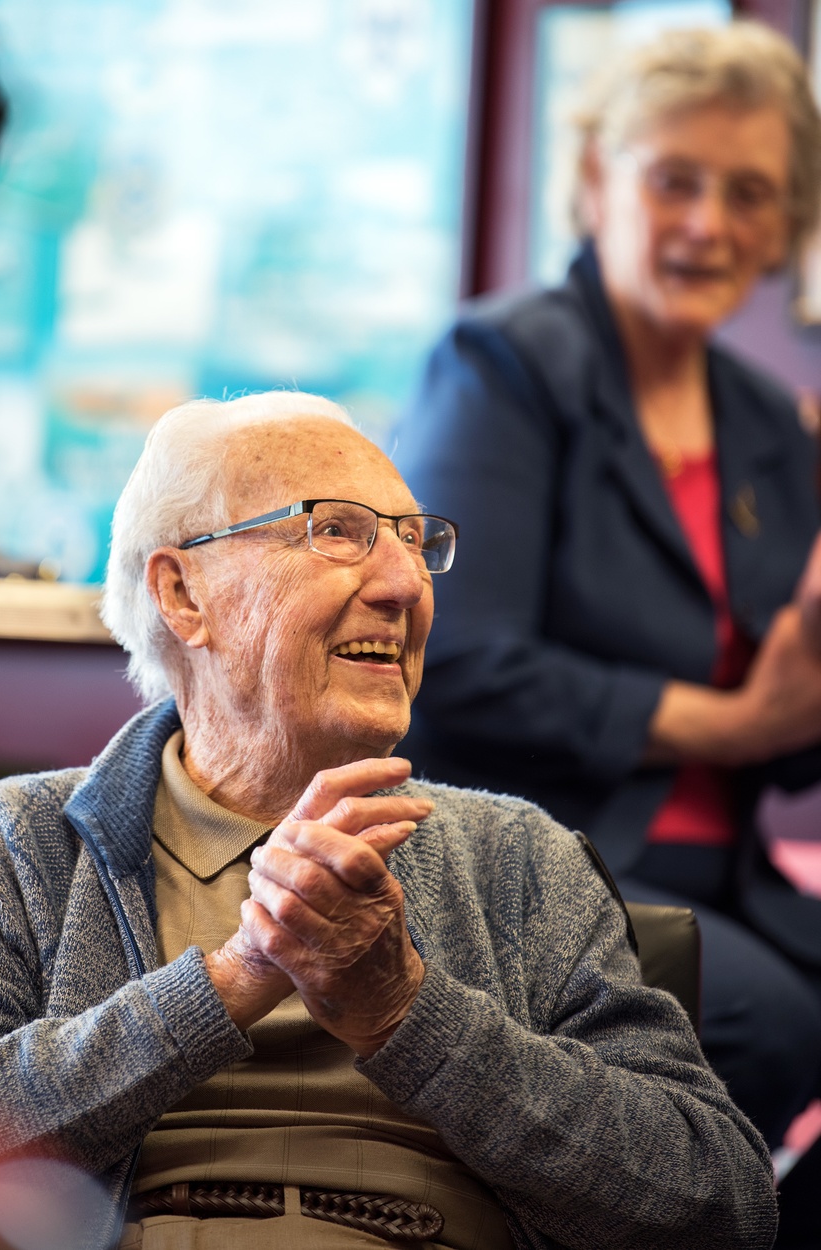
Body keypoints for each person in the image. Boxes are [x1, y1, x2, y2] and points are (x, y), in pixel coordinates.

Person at [0, 391, 775, 1250]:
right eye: (338, 532)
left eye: (417, 542)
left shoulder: (521, 859)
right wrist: (236, 976)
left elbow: (718, 1198)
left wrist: (405, 1013)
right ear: (183, 596)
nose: (405, 584)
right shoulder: (7, 844)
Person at [390, 19, 821, 1190]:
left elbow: (790, 734)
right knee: (772, 1021)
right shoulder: (504, 365)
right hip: (529, 864)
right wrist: (730, 723)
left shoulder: (769, 423)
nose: (708, 224)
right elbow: (459, 658)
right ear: (593, 181)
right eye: (672, 179)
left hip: (725, 874)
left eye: (749, 194)